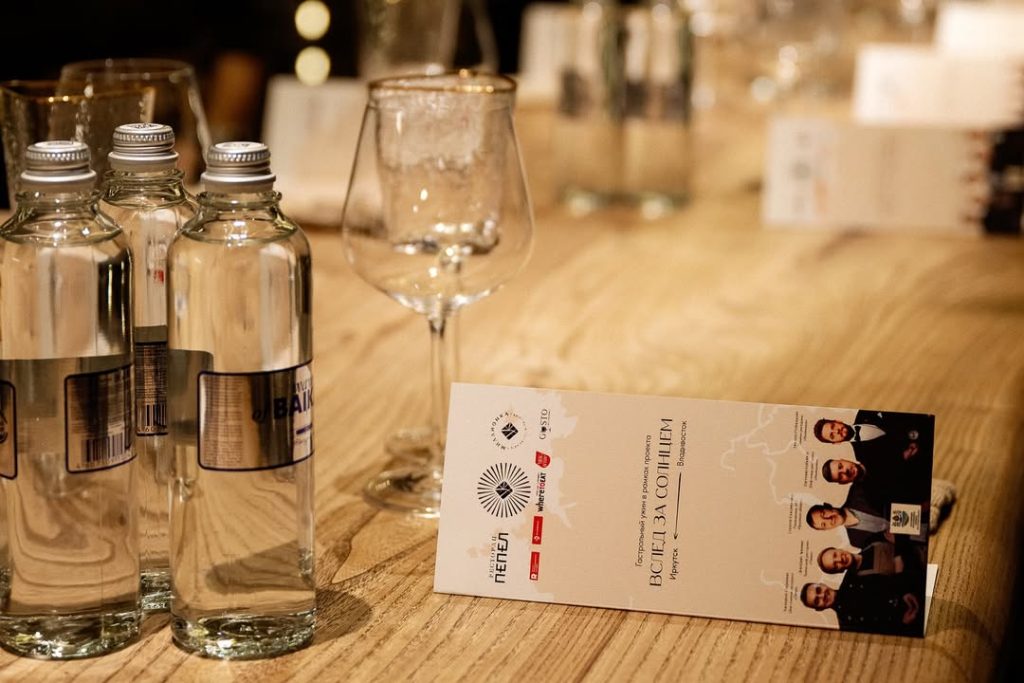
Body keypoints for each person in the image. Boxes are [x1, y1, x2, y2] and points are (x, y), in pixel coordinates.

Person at [799, 576, 923, 635]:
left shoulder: (853, 576)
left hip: (916, 594)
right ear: (819, 609)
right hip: (912, 626)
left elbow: (889, 578)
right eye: (817, 600)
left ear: (822, 584)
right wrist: (904, 624)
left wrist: (905, 592)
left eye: (819, 590)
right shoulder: (846, 626)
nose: (822, 595)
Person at [806, 501, 927, 548]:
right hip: (920, 542)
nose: (829, 519)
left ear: (827, 506)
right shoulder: (856, 541)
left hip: (924, 513)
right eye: (824, 524)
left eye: (823, 514)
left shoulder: (858, 492)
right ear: (826, 529)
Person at [817, 540, 926, 580]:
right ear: (839, 571)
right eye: (835, 565)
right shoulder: (863, 580)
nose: (839, 559)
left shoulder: (868, 542)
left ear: (839, 549)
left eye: (835, 555)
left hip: (925, 549)